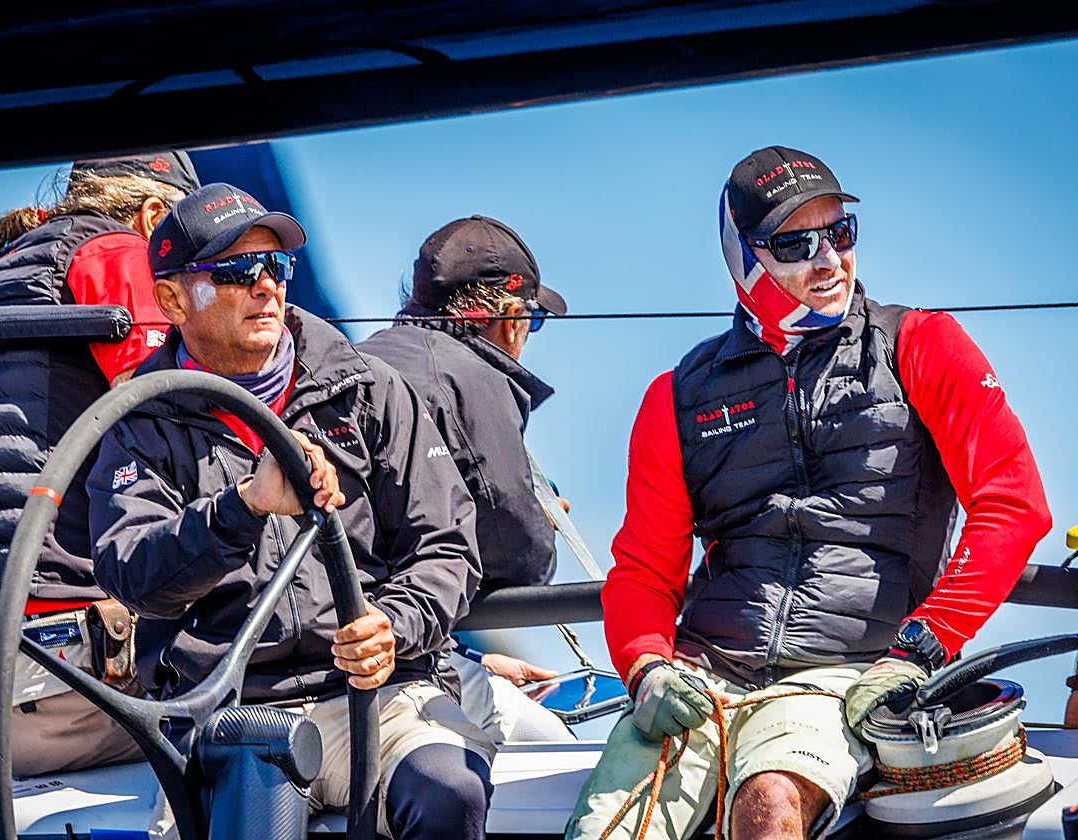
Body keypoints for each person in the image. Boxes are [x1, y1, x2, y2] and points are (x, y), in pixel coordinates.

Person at [568, 145, 1052, 839]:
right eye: (795, 245)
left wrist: (921, 647)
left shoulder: (922, 343)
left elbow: (1013, 505)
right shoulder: (676, 396)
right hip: (701, 678)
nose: (828, 260)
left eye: (840, 233)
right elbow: (645, 568)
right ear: (743, 258)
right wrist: (645, 667)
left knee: (769, 801)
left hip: (849, 675)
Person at [88, 183, 495, 839]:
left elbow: (446, 545)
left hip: (382, 697)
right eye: (235, 271)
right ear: (171, 300)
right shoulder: (141, 420)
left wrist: (389, 628)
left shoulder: (369, 389)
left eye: (275, 266)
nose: (264, 285)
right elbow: (134, 575)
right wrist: (242, 508)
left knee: (451, 792)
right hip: (235, 714)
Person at [0, 151, 199, 774]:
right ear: (154, 217)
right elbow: (181, 425)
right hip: (67, 688)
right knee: (298, 689)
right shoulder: (121, 253)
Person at [359, 214, 574, 742]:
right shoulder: (472, 378)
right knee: (560, 749)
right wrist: (543, 521)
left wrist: (474, 658)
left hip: (357, 642)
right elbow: (519, 558)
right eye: (532, 320)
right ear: (509, 316)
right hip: (389, 665)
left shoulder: (358, 359)